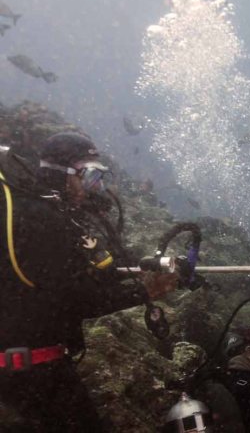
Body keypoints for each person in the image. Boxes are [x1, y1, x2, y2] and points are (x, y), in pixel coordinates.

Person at [0, 132, 178, 432]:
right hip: (29, 373)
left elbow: (91, 273)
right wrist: (145, 290)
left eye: (100, 178)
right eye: (91, 176)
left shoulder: (45, 212)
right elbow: (74, 301)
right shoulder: (40, 220)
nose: (95, 188)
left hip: (29, 366)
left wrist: (143, 268)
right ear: (63, 174)